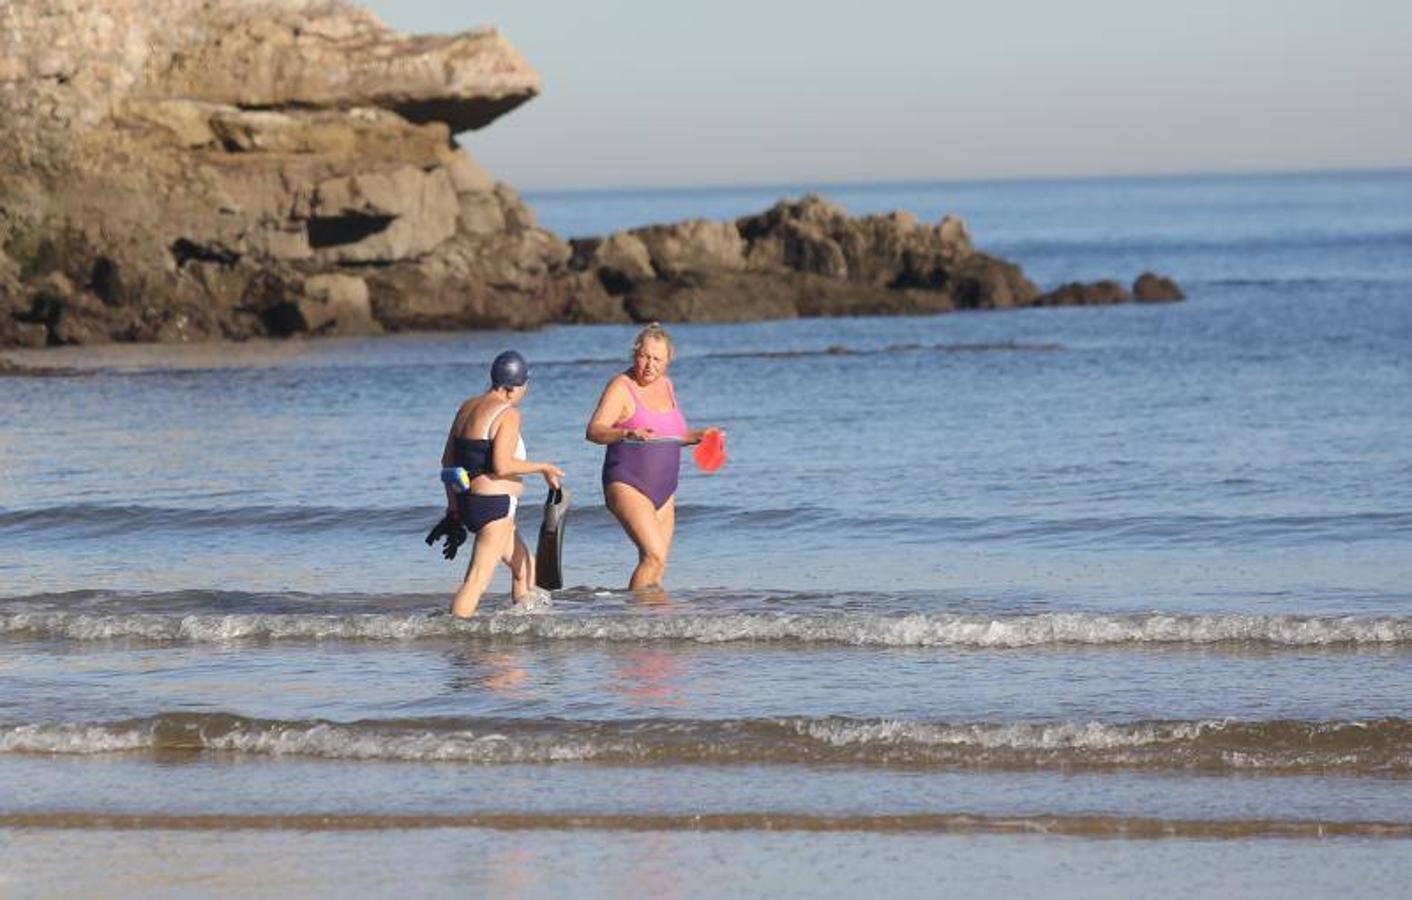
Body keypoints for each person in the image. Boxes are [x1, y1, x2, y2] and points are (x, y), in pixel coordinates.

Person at [586, 323, 718, 590]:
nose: (649, 365)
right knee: (654, 557)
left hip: (665, 490)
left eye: (657, 359)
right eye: (644, 356)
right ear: (635, 354)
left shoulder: (667, 386)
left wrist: (700, 436)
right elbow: (594, 431)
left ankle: (646, 624)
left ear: (668, 360)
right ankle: (634, 620)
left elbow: (672, 436)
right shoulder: (621, 386)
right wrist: (625, 433)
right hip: (627, 483)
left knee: (657, 566)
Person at [440, 350, 563, 617]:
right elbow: (503, 465)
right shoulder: (508, 414)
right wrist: (543, 467)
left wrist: (454, 508)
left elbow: (447, 461)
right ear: (514, 388)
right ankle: (456, 644)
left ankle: (524, 634)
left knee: (524, 568)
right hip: (495, 507)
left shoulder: (467, 407)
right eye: (525, 385)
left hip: (469, 502)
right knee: (475, 581)